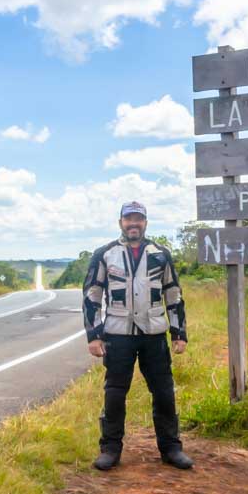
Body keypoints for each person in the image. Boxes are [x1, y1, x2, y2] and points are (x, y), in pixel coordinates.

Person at [82, 201, 193, 471]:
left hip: (154, 334)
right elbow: (92, 296)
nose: (134, 224)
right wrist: (94, 336)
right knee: (115, 393)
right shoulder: (105, 254)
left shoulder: (160, 254)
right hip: (117, 335)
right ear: (120, 222)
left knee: (164, 392)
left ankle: (171, 448)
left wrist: (179, 333)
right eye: (128, 219)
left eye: (138, 219)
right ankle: (110, 449)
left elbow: (173, 294)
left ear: (145, 222)